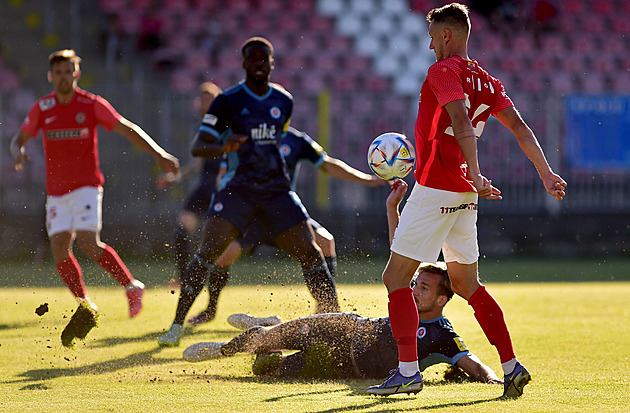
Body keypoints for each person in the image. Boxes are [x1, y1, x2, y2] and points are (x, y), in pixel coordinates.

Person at [368, 3, 567, 398]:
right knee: (464, 282)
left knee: (394, 278)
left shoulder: (444, 71)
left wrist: (475, 174)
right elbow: (520, 128)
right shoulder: (488, 81)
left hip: (438, 187)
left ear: (447, 35)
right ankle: (511, 366)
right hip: (462, 194)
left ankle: (408, 371)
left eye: (432, 38)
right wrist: (545, 172)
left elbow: (460, 122)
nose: (430, 48)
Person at [181, 181, 502, 387]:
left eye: (424, 288)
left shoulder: (443, 337)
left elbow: (476, 367)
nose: (415, 289)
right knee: (264, 340)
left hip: (343, 367)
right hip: (344, 328)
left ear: (443, 300)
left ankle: (273, 325)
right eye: (417, 283)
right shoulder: (407, 298)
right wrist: (393, 208)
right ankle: (222, 351)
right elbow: (402, 252)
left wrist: (495, 382)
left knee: (266, 371)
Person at [158, 37, 339, 347]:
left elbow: (276, 143)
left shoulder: (284, 101)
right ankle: (176, 326)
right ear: (243, 64)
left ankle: (332, 319)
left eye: (263, 58)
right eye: (251, 58)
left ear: (271, 63)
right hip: (237, 191)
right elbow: (198, 146)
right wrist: (223, 145)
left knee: (310, 252)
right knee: (207, 253)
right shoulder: (227, 102)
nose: (258, 63)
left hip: (276, 192)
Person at [9, 50, 180, 339]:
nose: (64, 77)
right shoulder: (43, 107)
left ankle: (131, 286)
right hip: (56, 193)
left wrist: (158, 153)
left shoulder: (90, 104)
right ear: (51, 76)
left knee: (88, 243)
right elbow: (19, 139)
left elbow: (126, 128)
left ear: (76, 74)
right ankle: (85, 304)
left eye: (69, 72)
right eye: (58, 72)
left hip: (87, 186)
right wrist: (17, 151)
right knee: (60, 249)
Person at [185, 125, 385, 325]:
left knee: (325, 241)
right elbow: (225, 171)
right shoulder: (247, 138)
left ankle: (325, 308)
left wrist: (366, 179)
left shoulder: (297, 140)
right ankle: (210, 311)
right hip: (253, 218)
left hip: (286, 219)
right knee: (223, 256)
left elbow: (327, 163)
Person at [156, 82, 226, 288]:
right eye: (202, 99)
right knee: (182, 229)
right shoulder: (202, 128)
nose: (204, 103)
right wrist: (176, 177)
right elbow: (200, 162)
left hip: (223, 189)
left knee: (218, 239)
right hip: (205, 188)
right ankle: (184, 278)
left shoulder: (228, 126)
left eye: (209, 99)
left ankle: (214, 286)